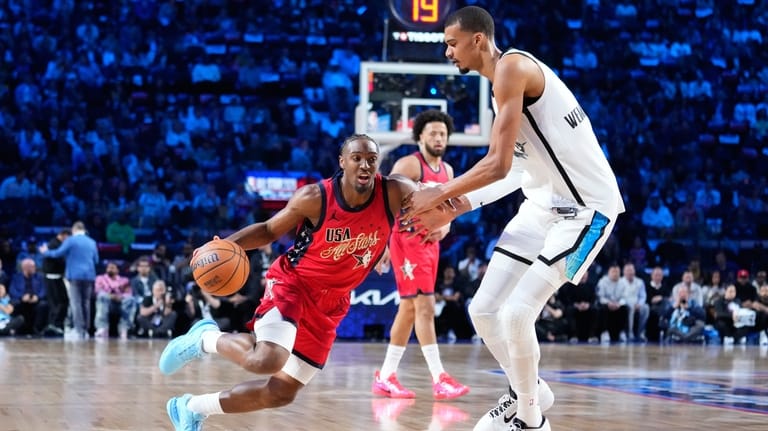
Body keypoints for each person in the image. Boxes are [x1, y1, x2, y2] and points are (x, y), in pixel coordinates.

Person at [402, 7, 625, 430]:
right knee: (484, 310)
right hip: (542, 207)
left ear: (478, 40)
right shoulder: (499, 88)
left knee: (517, 315)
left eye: (452, 42)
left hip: (587, 211)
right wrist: (458, 207)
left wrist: (441, 193)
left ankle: (530, 419)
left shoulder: (512, 68)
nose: (448, 51)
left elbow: (498, 165)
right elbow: (518, 171)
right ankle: (530, 391)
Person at [158, 134, 441, 431]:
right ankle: (204, 339)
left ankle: (190, 408)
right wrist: (223, 245)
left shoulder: (394, 191)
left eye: (371, 159)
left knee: (280, 393)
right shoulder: (315, 198)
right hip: (294, 283)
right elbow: (268, 229)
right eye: (357, 158)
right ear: (342, 162)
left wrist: (441, 221)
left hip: (333, 302)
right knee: (266, 360)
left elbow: (435, 202)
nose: (365, 165)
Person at [372, 109, 469, 400]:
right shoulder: (410, 165)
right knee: (424, 307)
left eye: (443, 134)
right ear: (420, 137)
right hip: (405, 240)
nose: (439, 138)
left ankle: (387, 375)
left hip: (430, 244)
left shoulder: (449, 171)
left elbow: (452, 209)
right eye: (433, 133)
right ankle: (440, 377)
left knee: (409, 310)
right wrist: (382, 244)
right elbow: (383, 204)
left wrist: (446, 225)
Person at [40, 221, 99, 340]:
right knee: (86, 302)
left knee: (76, 303)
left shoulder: (71, 241)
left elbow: (57, 253)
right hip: (89, 275)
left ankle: (78, 330)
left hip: (75, 275)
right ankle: (85, 330)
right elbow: (96, 260)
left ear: (74, 230)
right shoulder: (92, 242)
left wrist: (45, 252)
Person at [93, 261, 137, 340]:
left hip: (121, 304)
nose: (110, 269)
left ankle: (124, 328)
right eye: (108, 267)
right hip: (106, 303)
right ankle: (102, 328)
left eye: (112, 268)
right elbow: (98, 291)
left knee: (130, 299)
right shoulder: (100, 278)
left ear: (117, 270)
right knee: (102, 296)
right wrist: (110, 296)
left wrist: (120, 297)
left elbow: (129, 293)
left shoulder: (124, 280)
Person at [41, 228, 71, 336]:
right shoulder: (54, 245)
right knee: (58, 303)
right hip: (52, 278)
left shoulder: (56, 244)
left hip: (56, 277)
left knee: (61, 302)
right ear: (63, 235)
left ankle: (56, 324)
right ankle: (54, 325)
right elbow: (59, 259)